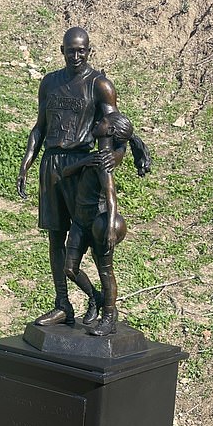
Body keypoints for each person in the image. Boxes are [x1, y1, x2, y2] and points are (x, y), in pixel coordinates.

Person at [17, 27, 119, 326]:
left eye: (82, 50)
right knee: (54, 235)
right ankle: (63, 303)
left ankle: (104, 302)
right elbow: (40, 127)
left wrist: (122, 155)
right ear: (62, 51)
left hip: (80, 165)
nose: (76, 55)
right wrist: (26, 163)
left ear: (89, 50)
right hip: (51, 163)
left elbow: (116, 126)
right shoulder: (49, 82)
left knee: (89, 235)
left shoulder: (99, 85)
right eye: (70, 50)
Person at [62, 112, 133, 336]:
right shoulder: (96, 156)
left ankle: (110, 316)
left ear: (110, 131)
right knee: (70, 269)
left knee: (106, 271)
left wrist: (111, 227)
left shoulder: (105, 161)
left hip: (98, 223)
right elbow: (65, 172)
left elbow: (111, 195)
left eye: (102, 122)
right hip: (80, 222)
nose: (97, 122)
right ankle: (95, 297)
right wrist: (84, 161)